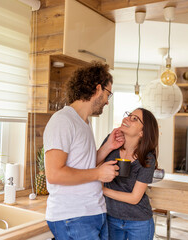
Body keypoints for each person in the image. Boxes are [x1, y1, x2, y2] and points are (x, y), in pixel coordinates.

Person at [43, 62, 124, 240]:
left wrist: (108, 147)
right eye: (107, 94)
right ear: (97, 88)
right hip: (72, 216)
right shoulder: (63, 121)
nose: (107, 101)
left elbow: (83, 165)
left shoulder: (84, 122)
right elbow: (55, 174)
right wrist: (98, 174)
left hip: (91, 212)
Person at [102, 108, 159, 240]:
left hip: (139, 222)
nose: (127, 118)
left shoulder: (147, 158)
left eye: (134, 119)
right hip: (111, 218)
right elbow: (94, 165)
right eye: (129, 115)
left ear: (142, 132)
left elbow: (135, 198)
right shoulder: (111, 143)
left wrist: (103, 190)